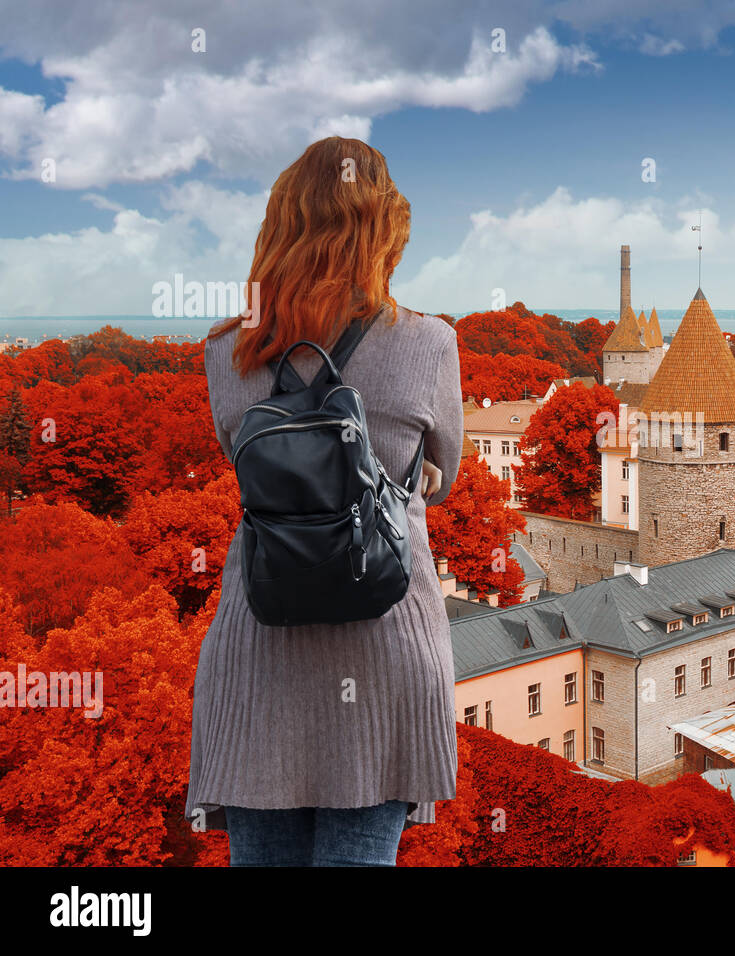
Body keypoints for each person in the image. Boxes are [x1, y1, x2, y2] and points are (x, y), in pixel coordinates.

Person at [186, 136, 463, 866]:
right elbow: (445, 469)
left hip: (260, 651)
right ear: (385, 238)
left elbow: (257, 472)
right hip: (384, 649)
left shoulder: (226, 354)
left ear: (278, 231)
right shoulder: (430, 343)